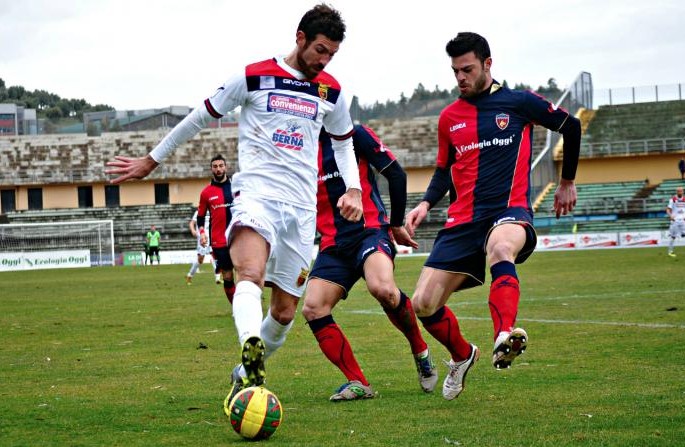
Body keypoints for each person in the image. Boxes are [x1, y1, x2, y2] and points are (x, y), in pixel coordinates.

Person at [105, 4, 363, 409]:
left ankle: (244, 372)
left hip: (301, 212)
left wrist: (354, 190)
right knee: (249, 272)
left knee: (283, 312)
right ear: (299, 38)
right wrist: (151, 160)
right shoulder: (253, 75)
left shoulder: (331, 89)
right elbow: (198, 117)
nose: (324, 60)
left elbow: (344, 143)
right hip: (258, 196)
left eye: (331, 53)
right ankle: (250, 343)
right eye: (319, 49)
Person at [404, 32, 581, 401]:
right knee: (422, 303)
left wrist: (566, 182)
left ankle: (504, 334)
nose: (460, 78)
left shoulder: (518, 103)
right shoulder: (449, 117)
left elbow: (571, 125)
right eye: (455, 71)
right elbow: (443, 169)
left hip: (508, 212)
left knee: (501, 248)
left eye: (467, 69)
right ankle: (462, 354)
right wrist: (424, 204)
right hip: (462, 222)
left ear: (487, 64)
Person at [302, 124, 436, 401]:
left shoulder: (354, 135)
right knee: (314, 308)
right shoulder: (298, 146)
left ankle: (420, 350)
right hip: (332, 244)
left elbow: (395, 174)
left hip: (369, 232)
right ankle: (358, 382)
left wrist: (396, 223)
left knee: (383, 289)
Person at [196, 154, 236, 300]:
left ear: (225, 167)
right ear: (211, 169)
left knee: (247, 274)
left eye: (221, 166)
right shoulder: (206, 193)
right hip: (219, 241)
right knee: (227, 276)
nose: (218, 169)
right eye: (215, 167)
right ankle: (236, 308)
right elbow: (200, 217)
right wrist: (202, 233)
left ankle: (247, 305)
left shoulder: (236, 188)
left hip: (239, 238)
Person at [186, 208, 222, 285]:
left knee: (215, 256)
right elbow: (192, 223)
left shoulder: (214, 210)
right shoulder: (199, 211)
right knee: (200, 260)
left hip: (212, 237)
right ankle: (189, 275)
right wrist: (193, 230)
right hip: (202, 237)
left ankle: (217, 278)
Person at [666, 186, 685, 257]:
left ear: (683, 191)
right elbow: (668, 209)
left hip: (683, 221)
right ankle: (670, 251)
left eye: (681, 191)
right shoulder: (673, 199)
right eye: (678, 191)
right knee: (673, 237)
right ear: (676, 192)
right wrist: (670, 216)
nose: (680, 192)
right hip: (675, 221)